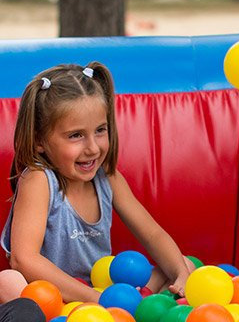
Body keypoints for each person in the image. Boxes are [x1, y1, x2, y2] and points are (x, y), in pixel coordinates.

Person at [0, 63, 194, 303]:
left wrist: (182, 276)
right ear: (40, 140)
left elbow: (152, 234)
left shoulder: (107, 178)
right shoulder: (39, 179)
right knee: (8, 282)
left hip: (101, 292)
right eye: (76, 135)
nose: (92, 148)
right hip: (56, 299)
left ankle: (140, 307)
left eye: (100, 130)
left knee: (181, 263)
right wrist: (95, 300)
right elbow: (24, 259)